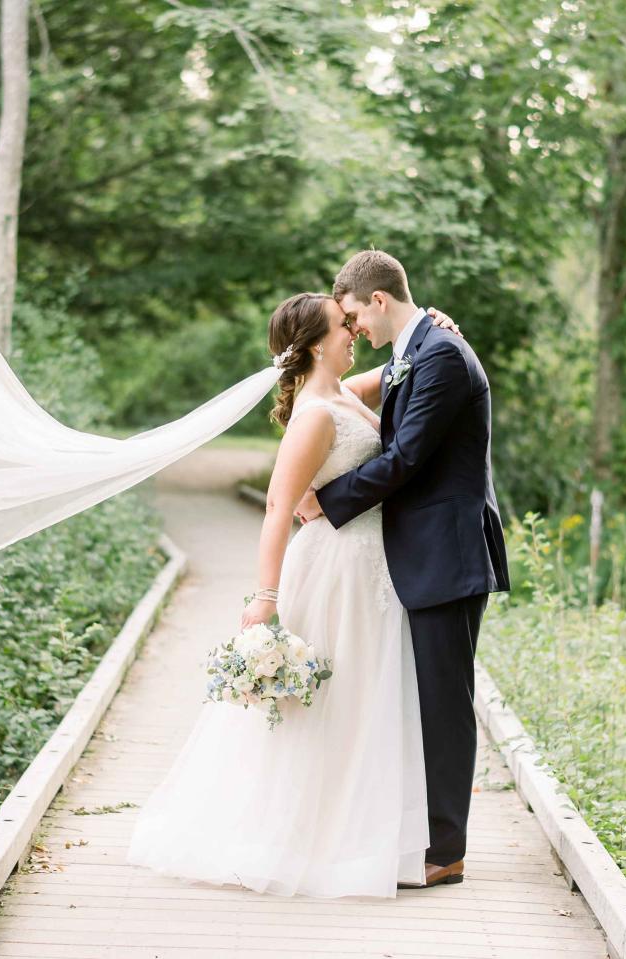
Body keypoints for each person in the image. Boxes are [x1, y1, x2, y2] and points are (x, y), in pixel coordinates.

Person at [125, 291, 463, 897]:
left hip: (371, 568)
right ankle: (307, 839)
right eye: (343, 326)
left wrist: (430, 326)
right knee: (328, 704)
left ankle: (361, 835)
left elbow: (398, 370)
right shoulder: (313, 413)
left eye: (354, 320)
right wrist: (264, 596)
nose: (354, 330)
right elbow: (279, 506)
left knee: (364, 701)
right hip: (333, 569)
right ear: (313, 344)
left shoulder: (342, 393)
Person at [296, 251, 510, 890]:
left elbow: (409, 455)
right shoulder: (417, 349)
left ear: (379, 301)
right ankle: (422, 833)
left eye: (357, 314)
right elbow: (363, 393)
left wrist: (324, 502)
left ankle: (445, 851)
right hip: (420, 553)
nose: (355, 328)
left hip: (446, 550)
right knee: (424, 697)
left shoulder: (439, 354)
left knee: (445, 701)